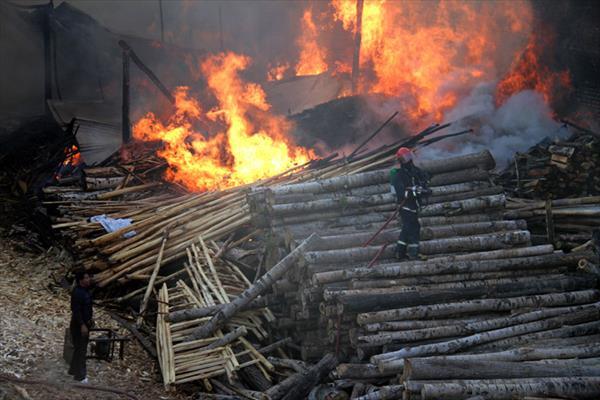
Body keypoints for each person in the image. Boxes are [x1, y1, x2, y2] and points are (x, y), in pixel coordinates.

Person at [390, 147, 430, 260]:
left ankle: (400, 252)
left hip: (414, 206)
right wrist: (414, 191)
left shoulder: (414, 171)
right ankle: (413, 253)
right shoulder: (398, 175)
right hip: (405, 207)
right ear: (401, 161)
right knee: (412, 228)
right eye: (405, 158)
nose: (408, 160)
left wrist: (425, 186)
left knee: (408, 228)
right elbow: (401, 193)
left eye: (408, 157)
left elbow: (423, 177)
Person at [68, 269, 94, 383]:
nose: (89, 280)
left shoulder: (85, 291)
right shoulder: (77, 293)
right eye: (86, 278)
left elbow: (87, 308)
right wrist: (82, 325)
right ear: (81, 280)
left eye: (89, 277)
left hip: (85, 323)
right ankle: (80, 376)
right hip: (78, 325)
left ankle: (73, 370)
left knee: (79, 348)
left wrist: (90, 320)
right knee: (81, 350)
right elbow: (76, 311)